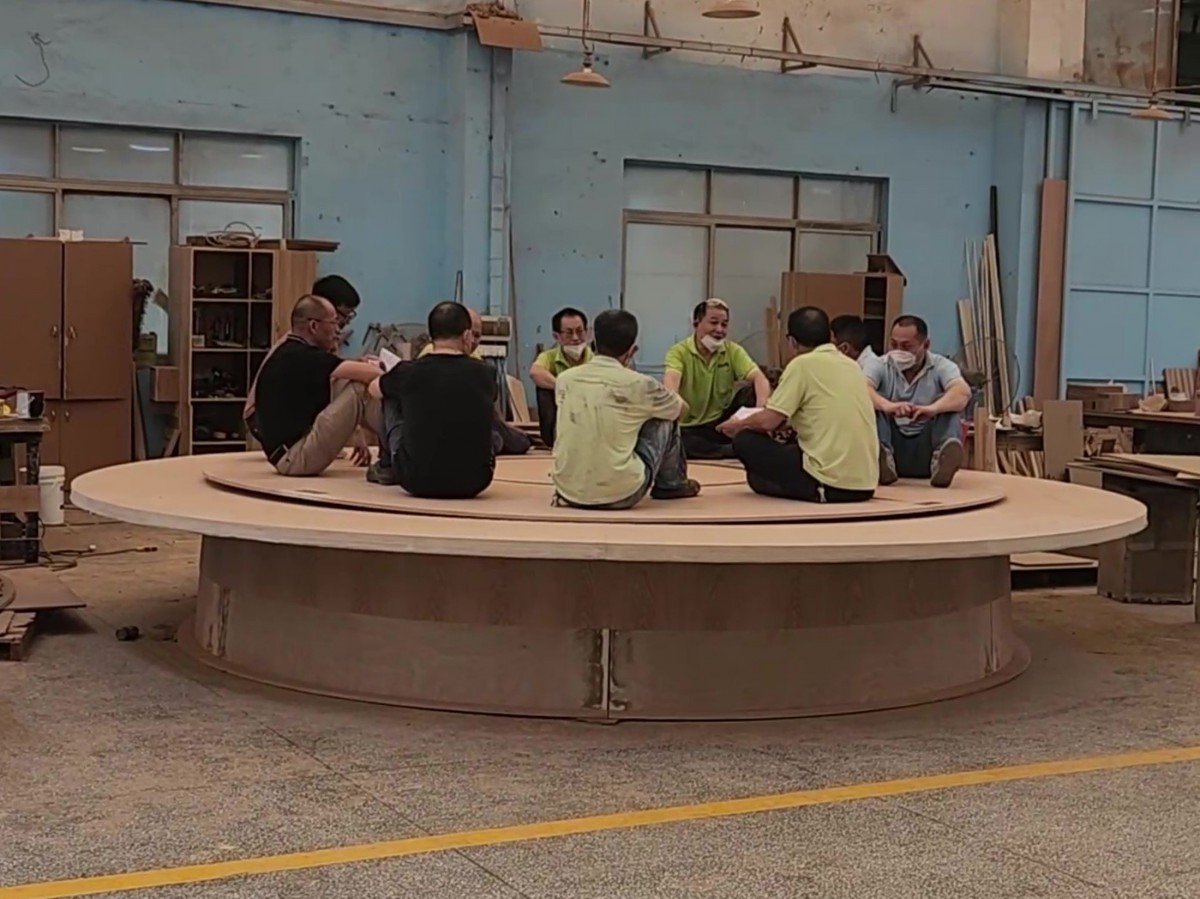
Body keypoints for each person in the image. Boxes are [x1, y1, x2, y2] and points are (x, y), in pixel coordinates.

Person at [718, 307, 878, 503]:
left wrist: (737, 425)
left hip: (828, 483)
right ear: (830, 335)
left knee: (745, 440)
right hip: (866, 485)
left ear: (792, 341)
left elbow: (769, 421)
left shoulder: (801, 364)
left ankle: (798, 486)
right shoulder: (852, 366)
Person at [553, 309, 699, 510]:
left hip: (568, 491)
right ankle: (672, 484)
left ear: (593, 341)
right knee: (665, 417)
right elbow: (681, 410)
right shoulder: (641, 383)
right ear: (632, 350)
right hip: (622, 494)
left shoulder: (564, 379)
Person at [368, 302, 496, 498]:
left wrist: (387, 375)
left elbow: (373, 389)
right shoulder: (486, 373)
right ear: (467, 335)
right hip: (475, 481)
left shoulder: (409, 371)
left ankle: (387, 465)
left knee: (388, 393)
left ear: (430, 335)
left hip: (416, 479)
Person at [254, 295, 383, 476]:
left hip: (287, 454)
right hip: (295, 458)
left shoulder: (290, 351)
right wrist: (402, 376)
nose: (338, 330)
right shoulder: (302, 356)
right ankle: (402, 449)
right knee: (361, 389)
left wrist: (357, 433)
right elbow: (370, 374)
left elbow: (341, 377)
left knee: (347, 381)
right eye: (334, 323)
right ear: (314, 326)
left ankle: (397, 449)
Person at [244, 273, 362, 435]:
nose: (346, 321)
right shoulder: (299, 346)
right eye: (343, 315)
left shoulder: (317, 340)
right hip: (261, 417)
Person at [864, 314, 970, 488]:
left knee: (949, 404)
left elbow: (962, 392)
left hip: (926, 448)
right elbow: (862, 388)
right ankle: (882, 458)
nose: (899, 351)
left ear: (926, 345)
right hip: (893, 446)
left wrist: (933, 409)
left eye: (906, 347)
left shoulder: (942, 365)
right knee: (873, 401)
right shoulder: (879, 364)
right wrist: (888, 406)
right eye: (894, 345)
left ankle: (942, 462)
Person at [663, 298, 771, 460]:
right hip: (689, 427)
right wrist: (676, 407)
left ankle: (736, 444)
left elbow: (759, 378)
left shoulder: (732, 350)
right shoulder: (678, 352)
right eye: (713, 323)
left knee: (751, 391)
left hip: (721, 424)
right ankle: (731, 449)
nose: (719, 330)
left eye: (724, 324)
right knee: (677, 442)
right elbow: (671, 385)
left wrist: (757, 413)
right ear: (696, 324)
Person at [416, 306, 530, 456]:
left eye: (478, 336)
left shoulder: (476, 360)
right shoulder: (431, 358)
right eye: (472, 335)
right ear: (465, 334)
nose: (475, 341)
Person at [529, 307, 592, 447]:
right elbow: (535, 372)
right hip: (560, 417)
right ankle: (553, 439)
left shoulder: (596, 358)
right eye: (569, 333)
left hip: (590, 416)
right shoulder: (549, 356)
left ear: (587, 332)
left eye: (580, 331)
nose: (575, 338)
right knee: (544, 390)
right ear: (556, 336)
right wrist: (564, 386)